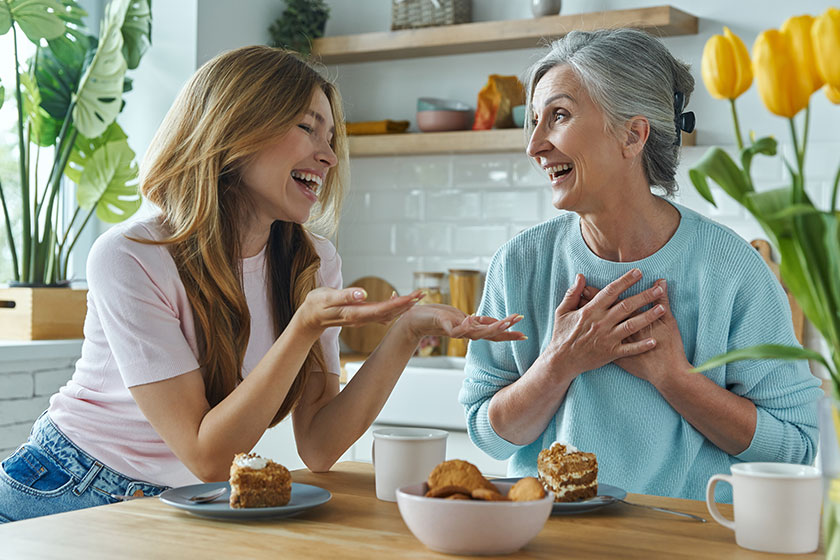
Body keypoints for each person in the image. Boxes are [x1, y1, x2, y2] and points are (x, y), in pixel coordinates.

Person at [0, 46, 525, 523]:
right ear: (235, 129)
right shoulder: (133, 255)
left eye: (331, 138)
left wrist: (406, 332)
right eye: (306, 127)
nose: (329, 154)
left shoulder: (313, 261)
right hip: (65, 490)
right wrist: (302, 329)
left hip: (185, 503)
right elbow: (206, 455)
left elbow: (319, 445)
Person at [459, 29, 822, 502]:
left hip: (687, 542)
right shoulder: (521, 263)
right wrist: (559, 363)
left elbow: (796, 448)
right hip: (550, 538)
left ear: (632, 135)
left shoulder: (731, 268)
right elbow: (487, 433)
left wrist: (675, 377)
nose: (534, 146)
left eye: (559, 116)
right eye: (534, 121)